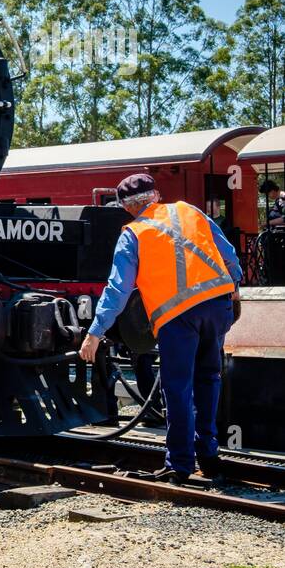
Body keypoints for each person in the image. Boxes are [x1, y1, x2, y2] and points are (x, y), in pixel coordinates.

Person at [79, 173, 241, 484]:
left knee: (178, 388)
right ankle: (208, 454)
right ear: (156, 195)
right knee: (209, 378)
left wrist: (95, 332)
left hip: (178, 317)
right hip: (217, 304)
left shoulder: (133, 233)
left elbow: (118, 290)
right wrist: (234, 285)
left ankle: (180, 464)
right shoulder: (190, 211)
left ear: (127, 208)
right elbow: (229, 254)